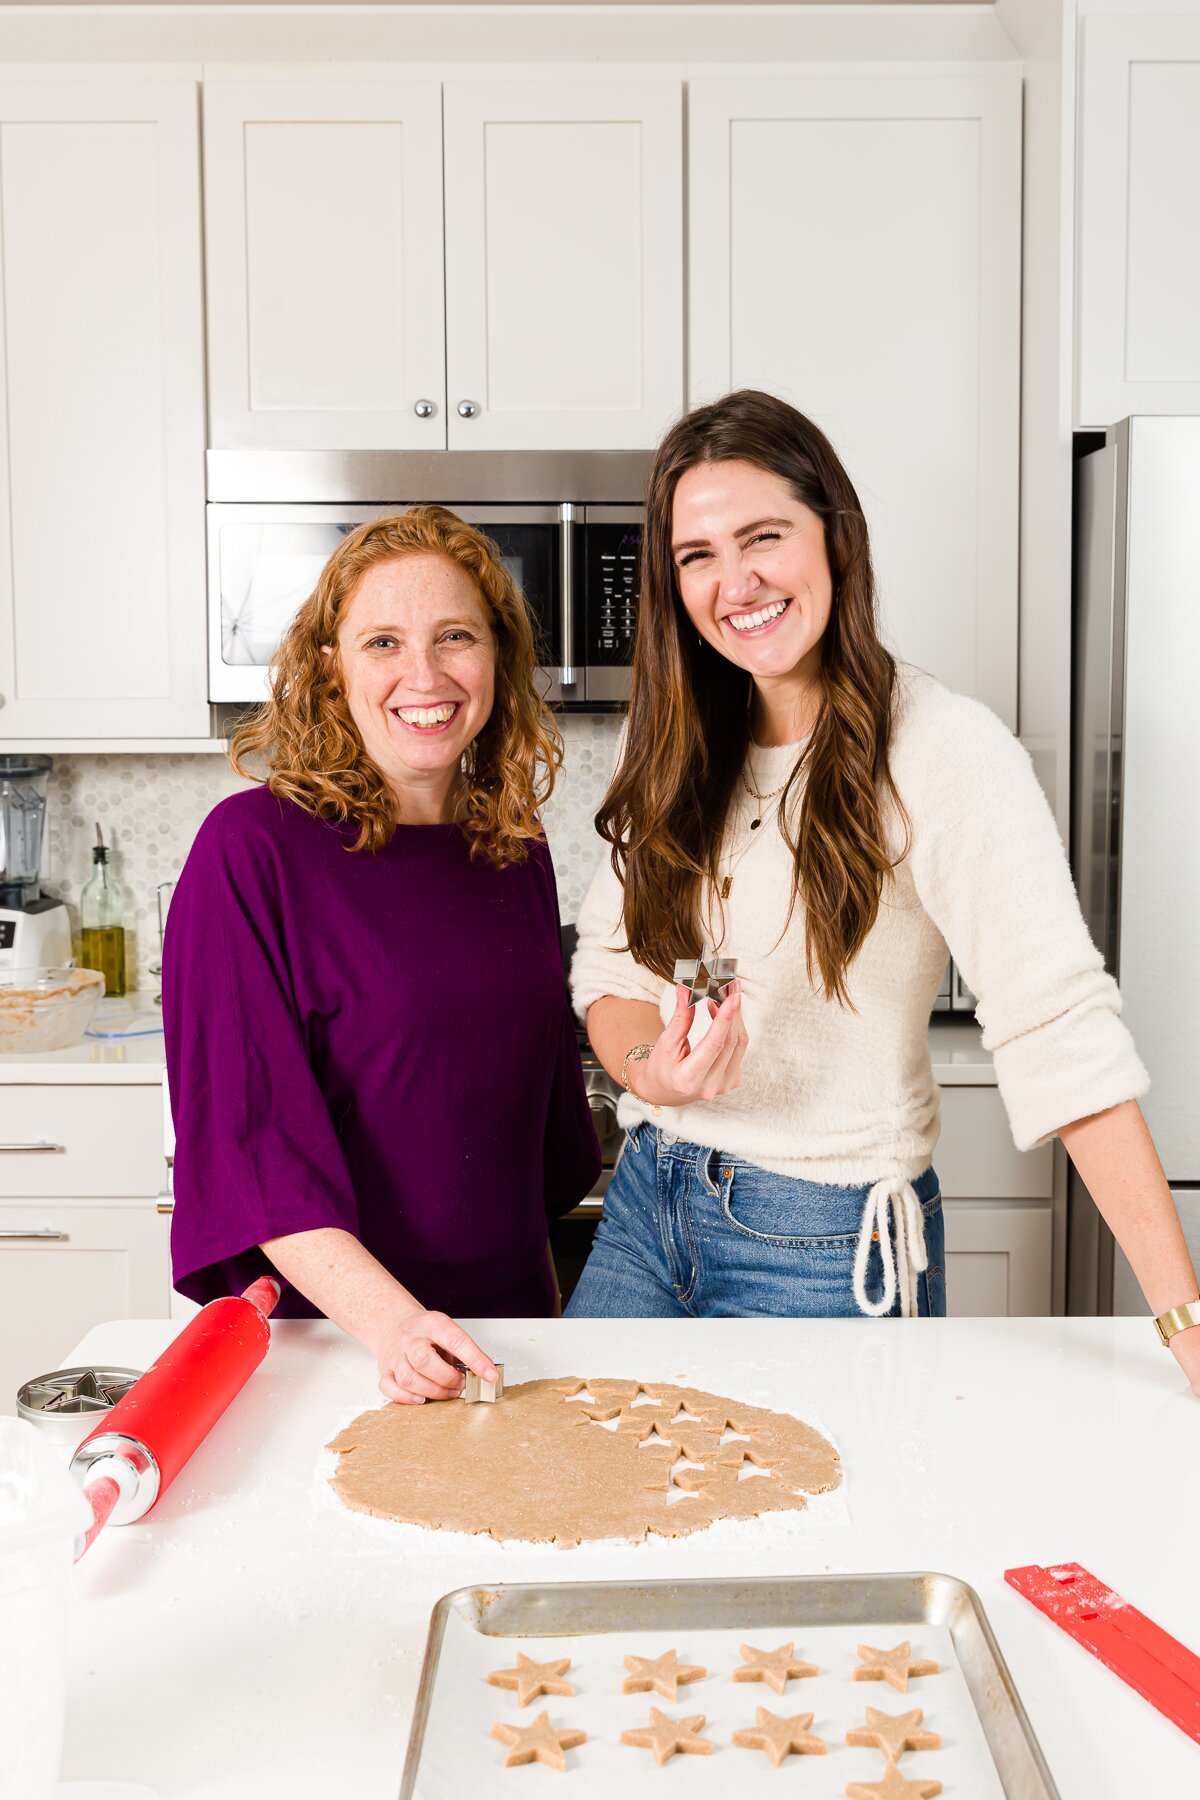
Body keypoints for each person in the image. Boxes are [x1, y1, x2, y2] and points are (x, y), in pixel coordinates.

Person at [566, 390, 1200, 1392]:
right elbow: (608, 970)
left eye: (763, 535)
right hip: (652, 1204)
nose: (736, 581)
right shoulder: (681, 750)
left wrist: (1185, 1319)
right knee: (575, 1502)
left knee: (813, 1550)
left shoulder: (943, 751)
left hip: (821, 1243)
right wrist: (653, 1069)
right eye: (698, 555)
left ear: (835, 534)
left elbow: (1060, 1033)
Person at [164, 506, 600, 1404]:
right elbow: (254, 1153)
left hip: (503, 1340)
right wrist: (394, 1326)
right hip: (336, 1346)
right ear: (332, 668)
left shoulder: (516, 851)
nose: (425, 675)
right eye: (383, 643)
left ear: (497, 659)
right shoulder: (249, 852)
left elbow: (537, 1144)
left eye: (455, 636)